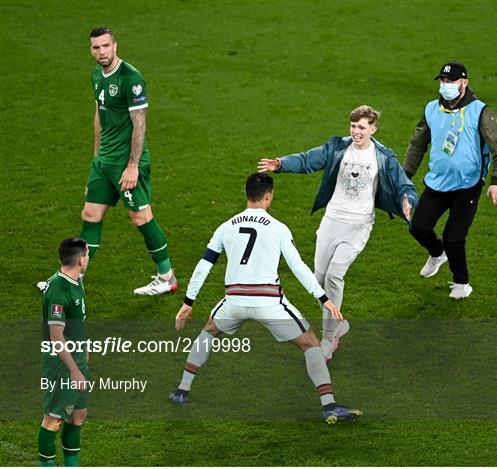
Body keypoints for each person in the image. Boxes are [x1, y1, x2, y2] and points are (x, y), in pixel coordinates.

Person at [170, 173, 361, 424]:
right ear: (268, 197)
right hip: (269, 303)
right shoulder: (279, 228)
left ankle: (182, 390)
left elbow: (203, 266)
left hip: (234, 301)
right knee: (311, 344)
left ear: (246, 195)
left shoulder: (226, 226)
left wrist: (188, 303)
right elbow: (298, 266)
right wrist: (324, 298)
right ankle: (329, 406)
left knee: (208, 332)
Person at [257, 105, 417, 360]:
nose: (356, 131)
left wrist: (408, 200)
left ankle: (329, 337)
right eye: (353, 126)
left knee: (334, 276)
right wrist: (281, 164)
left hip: (359, 225)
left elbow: (403, 186)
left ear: (373, 129)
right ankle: (339, 324)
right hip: (332, 220)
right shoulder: (338, 148)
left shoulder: (384, 157)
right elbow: (309, 159)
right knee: (318, 280)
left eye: (361, 127)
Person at [37, 27, 176, 295]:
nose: (101, 52)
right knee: (90, 214)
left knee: (140, 217)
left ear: (115, 46)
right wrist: (96, 157)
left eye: (105, 46)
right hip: (104, 163)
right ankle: (72, 278)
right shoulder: (96, 75)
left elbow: (140, 124)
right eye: (96, 48)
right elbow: (99, 115)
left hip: (127, 164)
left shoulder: (131, 78)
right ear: (90, 50)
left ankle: (166, 276)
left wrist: (133, 165)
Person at [403, 62, 497, 299]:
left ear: (464, 83)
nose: (446, 86)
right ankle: (437, 253)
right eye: (442, 81)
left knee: (454, 237)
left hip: (467, 186)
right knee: (418, 226)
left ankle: (462, 283)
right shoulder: (432, 109)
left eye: (450, 81)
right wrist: (405, 176)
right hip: (437, 182)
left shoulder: (480, 111)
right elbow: (418, 144)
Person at [38, 238, 90, 467]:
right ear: (80, 260)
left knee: (78, 415)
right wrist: (75, 371)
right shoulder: (59, 292)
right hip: (62, 364)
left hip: (77, 358)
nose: (88, 258)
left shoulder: (75, 279)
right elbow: (56, 337)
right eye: (87, 255)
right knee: (52, 419)